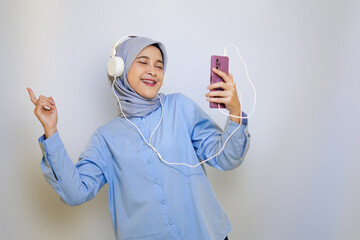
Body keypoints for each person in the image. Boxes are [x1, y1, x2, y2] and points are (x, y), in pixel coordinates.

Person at [27, 36, 250, 240]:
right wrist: (51, 131)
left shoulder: (179, 107)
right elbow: (74, 193)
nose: (153, 70)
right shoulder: (105, 139)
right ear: (119, 68)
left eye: (159, 65)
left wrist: (235, 112)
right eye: (143, 62)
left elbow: (227, 159)